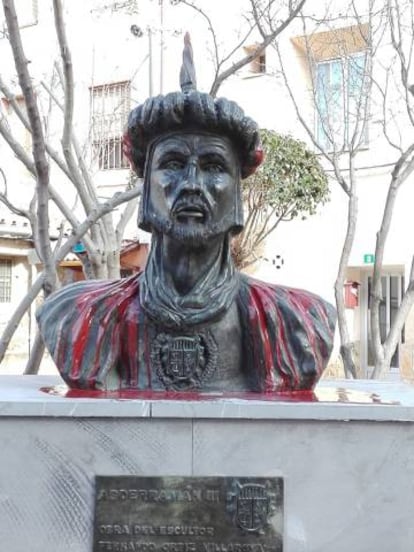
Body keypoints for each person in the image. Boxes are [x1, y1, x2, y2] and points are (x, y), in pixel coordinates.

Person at [37, 35, 336, 392]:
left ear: (237, 194)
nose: (192, 184)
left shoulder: (294, 321)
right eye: (174, 163)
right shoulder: (81, 316)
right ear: (146, 188)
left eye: (213, 166)